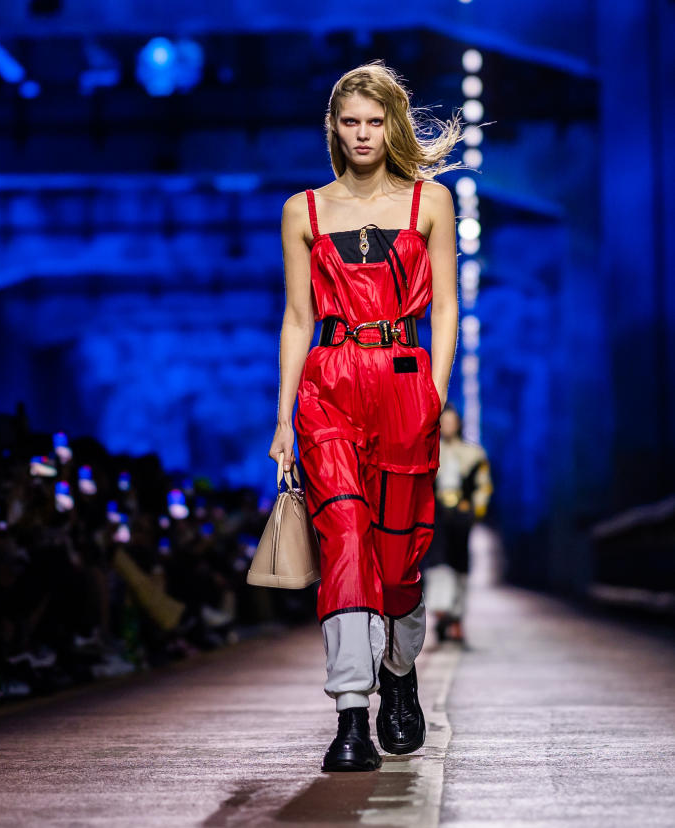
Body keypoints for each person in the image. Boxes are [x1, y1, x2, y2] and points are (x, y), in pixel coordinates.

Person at [269, 62, 462, 772]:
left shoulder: (430, 202)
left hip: (404, 380)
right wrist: (283, 417)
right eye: (349, 121)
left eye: (374, 121)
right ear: (333, 127)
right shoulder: (304, 211)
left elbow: (445, 307)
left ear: (393, 126)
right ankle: (352, 714)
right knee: (344, 540)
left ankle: (399, 674)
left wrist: (434, 395)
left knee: (400, 558)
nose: (361, 134)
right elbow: (297, 316)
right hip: (328, 383)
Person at [423, 405, 492, 644]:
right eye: (445, 421)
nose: (449, 426)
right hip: (437, 515)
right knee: (437, 561)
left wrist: (475, 511)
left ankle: (457, 617)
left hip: (461, 516)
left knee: (460, 563)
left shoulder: (472, 454)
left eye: (453, 421)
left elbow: (483, 485)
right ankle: (441, 611)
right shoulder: (430, 450)